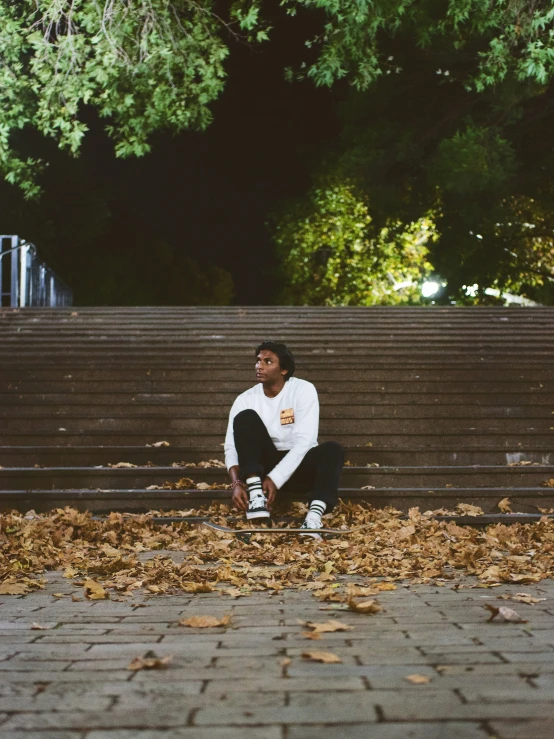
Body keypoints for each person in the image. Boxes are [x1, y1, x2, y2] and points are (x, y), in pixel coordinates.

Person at [224, 340, 344, 535]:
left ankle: (313, 518)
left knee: (333, 450)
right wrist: (237, 483)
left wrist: (276, 478)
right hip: (262, 469)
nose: (259, 365)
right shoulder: (245, 399)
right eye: (258, 360)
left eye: (268, 361)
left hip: (298, 468)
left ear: (284, 370)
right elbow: (231, 447)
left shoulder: (303, 390)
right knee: (246, 417)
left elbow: (305, 441)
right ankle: (256, 499)